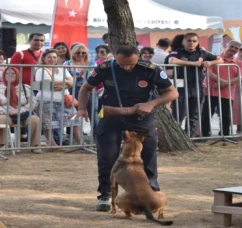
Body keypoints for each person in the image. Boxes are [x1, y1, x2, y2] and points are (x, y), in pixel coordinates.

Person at [76, 45, 178, 211]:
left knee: (148, 156)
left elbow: (172, 93)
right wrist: (81, 109)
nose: (127, 67)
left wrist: (151, 103)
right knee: (107, 157)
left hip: (141, 117)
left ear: (138, 57)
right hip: (111, 115)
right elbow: (85, 88)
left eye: (131, 64)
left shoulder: (150, 69)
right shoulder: (105, 68)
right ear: (115, 56)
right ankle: (105, 195)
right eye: (122, 64)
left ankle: (152, 193)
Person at [168, 33, 223, 137]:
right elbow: (172, 60)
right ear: (183, 42)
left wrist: (210, 63)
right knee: (179, 114)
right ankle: (176, 137)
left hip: (197, 87)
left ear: (197, 42)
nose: (191, 43)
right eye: (189, 41)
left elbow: (220, 60)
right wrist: (194, 64)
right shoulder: (178, 52)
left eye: (194, 41)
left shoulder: (202, 52)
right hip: (180, 86)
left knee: (194, 115)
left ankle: (190, 137)